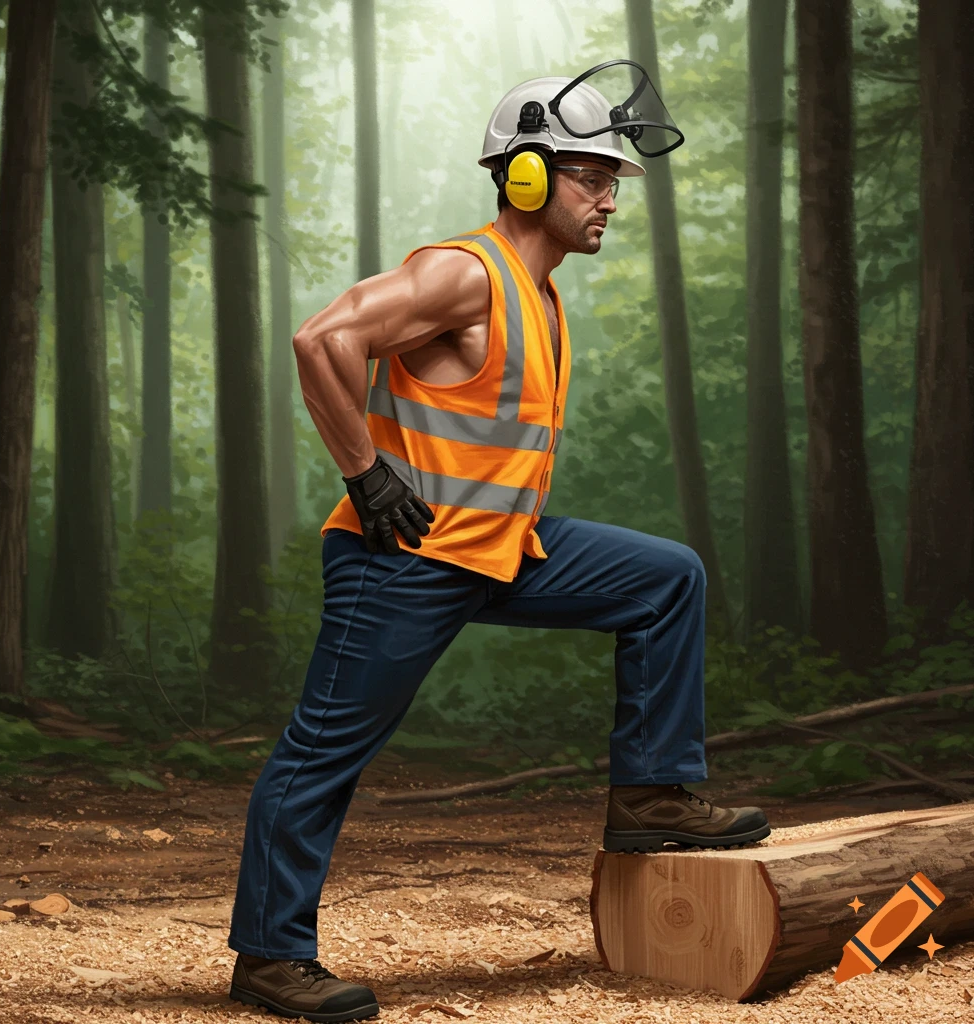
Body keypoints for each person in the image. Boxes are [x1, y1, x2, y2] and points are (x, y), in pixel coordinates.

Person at [227, 64, 770, 1022]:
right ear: (525, 176)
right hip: (404, 557)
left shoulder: (540, 295)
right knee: (322, 754)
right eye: (589, 177)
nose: (609, 199)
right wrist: (365, 472)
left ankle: (651, 795)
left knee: (665, 579)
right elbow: (323, 341)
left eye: (613, 181)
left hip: (502, 549)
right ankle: (271, 958)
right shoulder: (464, 272)